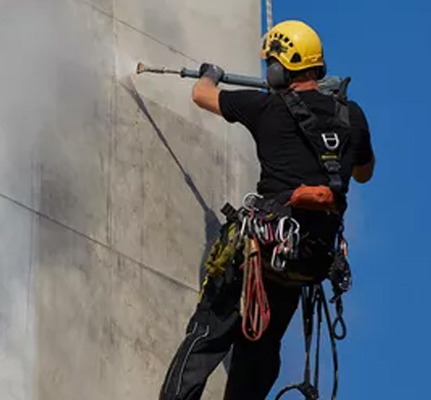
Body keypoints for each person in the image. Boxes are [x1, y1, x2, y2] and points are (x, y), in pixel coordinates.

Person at [158, 20, 375, 400]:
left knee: (208, 334)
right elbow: (363, 172)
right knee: (260, 349)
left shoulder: (264, 107)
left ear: (279, 69)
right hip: (304, 260)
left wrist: (211, 74)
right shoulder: (351, 116)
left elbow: (201, 95)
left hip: (263, 250)